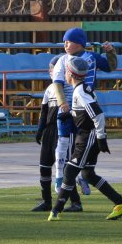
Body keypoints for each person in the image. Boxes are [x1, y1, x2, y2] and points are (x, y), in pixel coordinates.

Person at [48, 56, 122, 221]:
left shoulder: (79, 91)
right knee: (87, 175)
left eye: (66, 72)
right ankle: (120, 202)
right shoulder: (83, 88)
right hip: (86, 134)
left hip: (88, 135)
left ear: (71, 75)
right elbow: (86, 113)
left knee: (70, 170)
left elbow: (98, 114)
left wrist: (101, 138)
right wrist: (71, 114)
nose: (64, 75)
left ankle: (56, 209)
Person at [50, 28, 118, 201]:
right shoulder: (62, 60)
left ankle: (79, 179)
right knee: (64, 146)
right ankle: (63, 180)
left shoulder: (92, 58)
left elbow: (111, 67)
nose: (65, 45)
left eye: (69, 41)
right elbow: (57, 84)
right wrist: (62, 103)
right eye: (64, 41)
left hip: (83, 110)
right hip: (66, 110)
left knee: (78, 148)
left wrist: (111, 52)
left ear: (79, 43)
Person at [32, 55, 83, 212]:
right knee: (44, 166)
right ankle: (47, 201)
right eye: (49, 68)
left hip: (64, 130)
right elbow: (44, 111)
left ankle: (76, 202)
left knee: (65, 168)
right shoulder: (49, 89)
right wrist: (40, 131)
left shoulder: (68, 87)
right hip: (50, 130)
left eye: (52, 67)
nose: (50, 71)